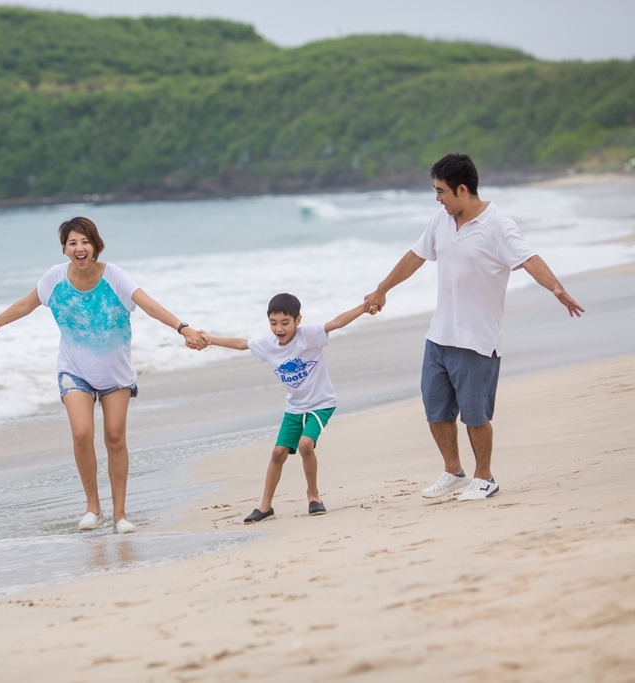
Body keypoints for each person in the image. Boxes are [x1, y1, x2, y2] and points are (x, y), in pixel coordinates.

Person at [363, 153, 584, 501]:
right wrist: (382, 289)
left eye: (441, 191)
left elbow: (529, 259)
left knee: (475, 416)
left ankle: (485, 477)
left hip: (477, 340)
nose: (437, 198)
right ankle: (453, 472)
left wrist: (556, 288)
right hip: (440, 336)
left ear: (462, 189)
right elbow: (415, 256)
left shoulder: (498, 226)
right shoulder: (441, 221)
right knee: (435, 409)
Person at [0, 216, 207, 534]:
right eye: (72, 243)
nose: (79, 248)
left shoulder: (115, 277)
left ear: (95, 245)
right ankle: (93, 508)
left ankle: (120, 514)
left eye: (85, 241)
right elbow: (26, 304)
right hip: (74, 370)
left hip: (115, 373)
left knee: (115, 437)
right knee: (82, 434)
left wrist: (183, 328)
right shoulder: (54, 278)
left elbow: (149, 305)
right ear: (65, 249)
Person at [202, 293, 373, 523]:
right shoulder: (268, 345)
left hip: (321, 404)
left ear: (297, 320)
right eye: (273, 323)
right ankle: (265, 507)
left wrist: (364, 307)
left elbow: (336, 322)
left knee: (305, 445)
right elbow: (242, 344)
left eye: (285, 322)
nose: (278, 329)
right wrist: (210, 340)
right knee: (278, 453)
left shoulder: (309, 336)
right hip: (294, 407)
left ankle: (313, 497)